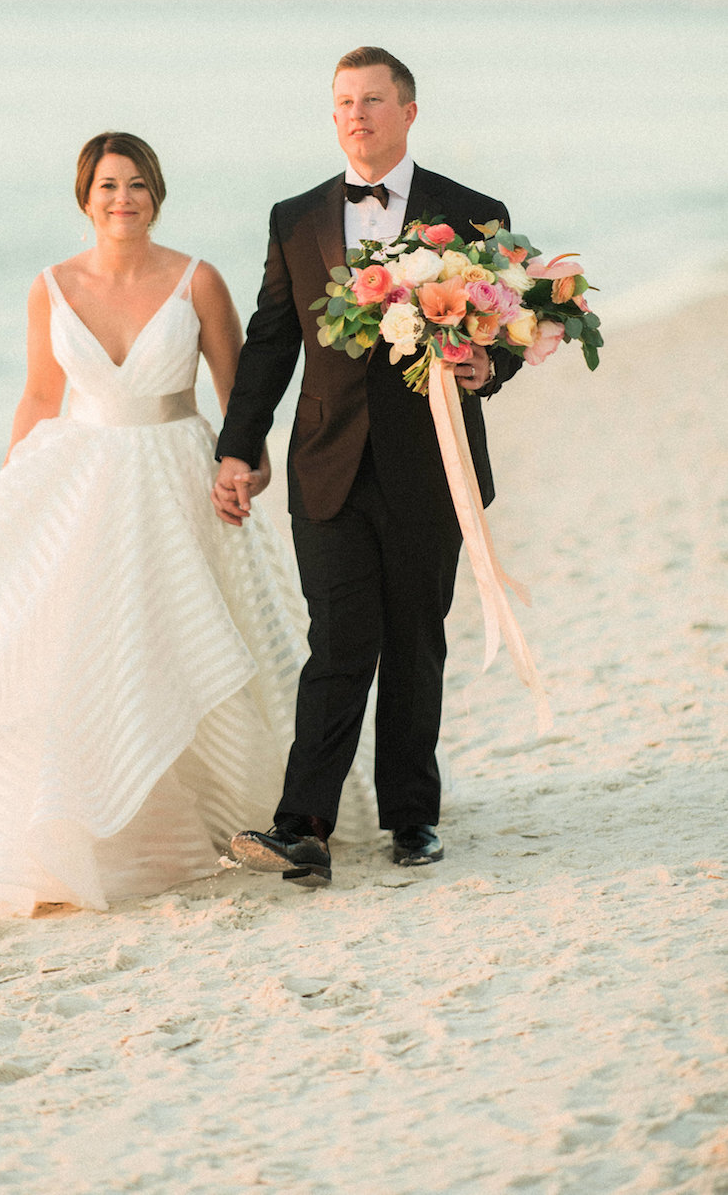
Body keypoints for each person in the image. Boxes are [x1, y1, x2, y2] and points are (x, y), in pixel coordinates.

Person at [0, 131, 307, 916]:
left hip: (177, 478)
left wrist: (249, 464)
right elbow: (40, 397)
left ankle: (249, 820)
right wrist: (7, 482)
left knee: (180, 647)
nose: (123, 199)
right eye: (107, 185)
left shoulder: (198, 280)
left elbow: (243, 396)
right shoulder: (50, 286)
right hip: (78, 479)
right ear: (85, 197)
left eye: (136, 184)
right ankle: (95, 845)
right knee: (70, 652)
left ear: (157, 193)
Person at [212, 48, 521, 882]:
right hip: (327, 464)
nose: (358, 114)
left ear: (409, 112)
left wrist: (486, 370)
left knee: (415, 642)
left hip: (433, 464)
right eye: (344, 101)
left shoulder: (473, 211)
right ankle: (302, 823)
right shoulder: (296, 216)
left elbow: (508, 330)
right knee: (340, 638)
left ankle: (412, 818)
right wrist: (240, 446)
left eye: (374, 100)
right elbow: (272, 341)